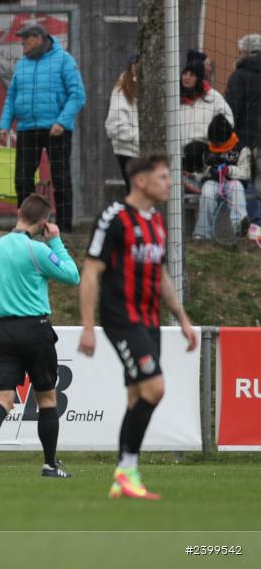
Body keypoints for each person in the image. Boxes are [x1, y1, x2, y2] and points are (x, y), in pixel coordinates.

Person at [79, 154, 199, 500]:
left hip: (150, 323)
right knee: (154, 389)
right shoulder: (113, 217)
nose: (169, 182)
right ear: (142, 181)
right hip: (122, 319)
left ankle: (124, 478)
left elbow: (160, 275)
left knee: (136, 397)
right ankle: (127, 468)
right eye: (163, 177)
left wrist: (182, 318)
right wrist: (88, 327)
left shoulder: (157, 222)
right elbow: (90, 272)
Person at [0, 193, 80, 478]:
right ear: (44, 222)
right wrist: (55, 240)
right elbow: (72, 276)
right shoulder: (38, 250)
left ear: (19, 211)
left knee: (3, 399)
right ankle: (49, 465)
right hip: (36, 329)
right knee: (46, 399)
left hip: (4, 331)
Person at [0, 23, 86, 233]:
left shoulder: (64, 59)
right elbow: (11, 97)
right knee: (22, 179)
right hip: (27, 128)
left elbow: (78, 94)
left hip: (56, 130)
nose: (22, 43)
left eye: (25, 39)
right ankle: (25, 226)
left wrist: (62, 122)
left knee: (61, 179)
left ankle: (64, 228)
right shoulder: (22, 64)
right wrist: (4, 125)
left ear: (38, 39)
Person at [224, 33, 261, 237]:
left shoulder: (238, 76)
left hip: (244, 140)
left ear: (245, 52)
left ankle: (253, 228)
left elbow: (231, 110)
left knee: (246, 181)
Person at [192, 114, 251, 240]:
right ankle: (202, 234)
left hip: (232, 182)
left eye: (218, 143)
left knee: (237, 189)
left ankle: (240, 227)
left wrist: (228, 170)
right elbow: (198, 175)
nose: (215, 145)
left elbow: (246, 172)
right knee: (207, 192)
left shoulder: (242, 148)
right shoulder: (207, 148)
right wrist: (207, 168)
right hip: (213, 182)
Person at [179, 56, 233, 173]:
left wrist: (215, 141)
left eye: (191, 75)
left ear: (198, 78)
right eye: (185, 73)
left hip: (204, 156)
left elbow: (228, 121)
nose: (186, 77)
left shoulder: (213, 97)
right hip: (178, 157)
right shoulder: (175, 98)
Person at [105, 53, 140, 193]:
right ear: (130, 67)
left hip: (145, 150)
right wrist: (140, 138)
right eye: (135, 64)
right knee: (135, 193)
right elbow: (114, 127)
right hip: (128, 151)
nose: (137, 67)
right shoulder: (121, 91)